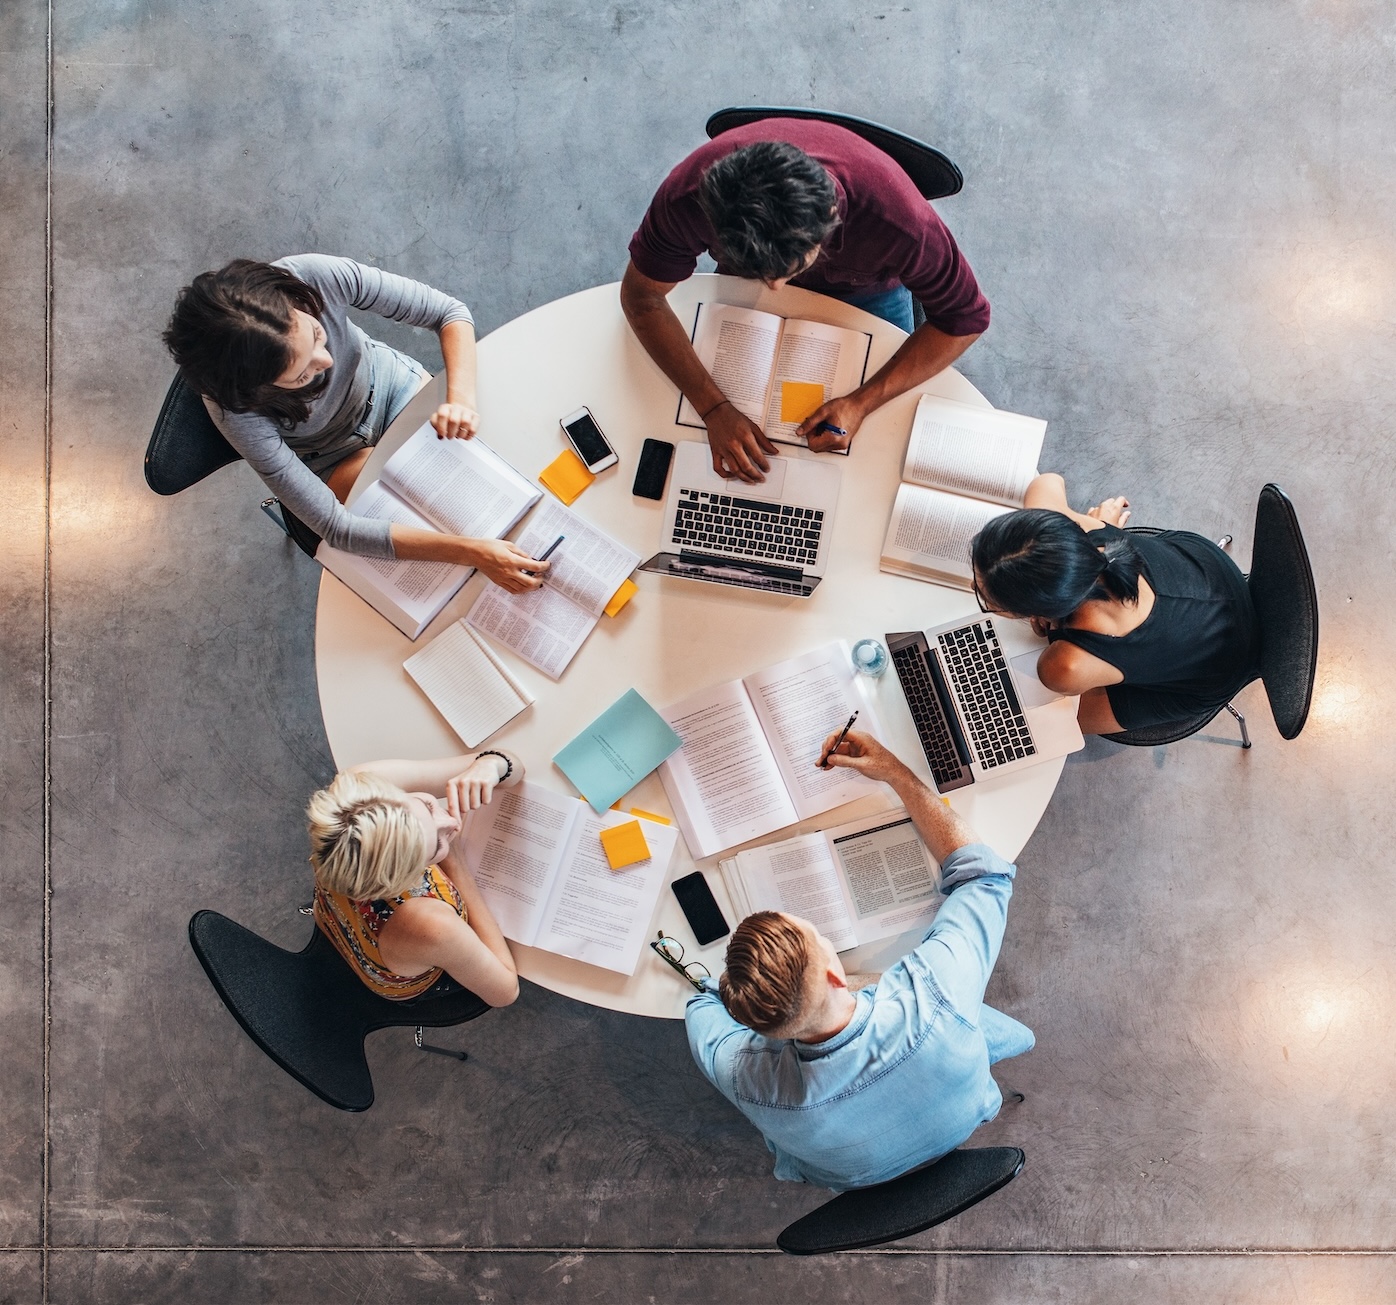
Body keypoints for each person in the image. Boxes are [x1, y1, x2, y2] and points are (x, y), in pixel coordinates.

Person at [685, 729, 1033, 1192]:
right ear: (835, 974)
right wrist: (895, 772)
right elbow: (985, 876)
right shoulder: (933, 996)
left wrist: (732, 992)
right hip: (964, 1113)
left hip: (854, 1178)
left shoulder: (745, 1077)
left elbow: (701, 1008)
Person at [621, 120, 990, 484]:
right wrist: (713, 407)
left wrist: (862, 402)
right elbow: (642, 298)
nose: (776, 289)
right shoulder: (688, 196)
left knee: (879, 444)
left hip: (869, 289)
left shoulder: (900, 224)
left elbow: (966, 319)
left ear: (832, 218)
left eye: (789, 269)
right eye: (764, 274)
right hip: (748, 278)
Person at [162, 254, 545, 593]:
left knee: (494, 472)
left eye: (316, 334)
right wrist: (472, 554)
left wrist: (460, 399)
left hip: (394, 388)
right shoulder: (235, 411)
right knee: (440, 531)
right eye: (301, 374)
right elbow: (337, 528)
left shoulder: (312, 275)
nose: (326, 361)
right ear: (255, 390)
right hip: (330, 456)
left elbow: (449, 313)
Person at [970, 473, 1260, 735]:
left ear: (1036, 612)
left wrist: (1055, 627)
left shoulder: (1063, 667)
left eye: (987, 600)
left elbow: (1061, 669)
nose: (972, 586)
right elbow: (1047, 482)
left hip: (1218, 669)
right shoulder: (1081, 529)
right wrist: (1101, 526)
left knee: (1049, 724)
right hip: (1210, 572)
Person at [306, 749, 523, 1006]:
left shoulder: (360, 790)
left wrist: (491, 766)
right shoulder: (431, 924)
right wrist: (455, 863)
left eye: (428, 805)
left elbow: (513, 765)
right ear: (405, 879)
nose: (452, 823)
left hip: (334, 916)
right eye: (436, 846)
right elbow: (506, 992)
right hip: (399, 973)